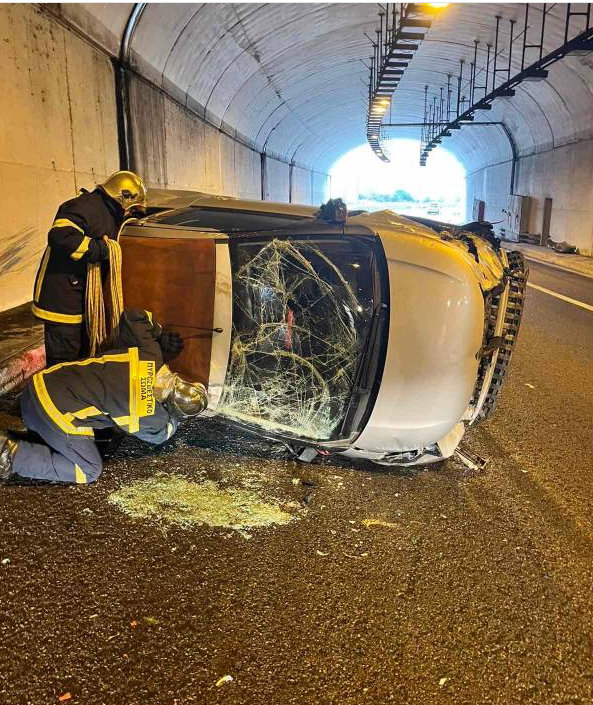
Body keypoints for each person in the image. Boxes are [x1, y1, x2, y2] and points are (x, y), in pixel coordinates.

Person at [0, 310, 207, 485]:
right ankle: (10, 456)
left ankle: (28, 439)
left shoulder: (150, 353)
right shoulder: (146, 412)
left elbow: (134, 315)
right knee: (89, 470)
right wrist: (175, 419)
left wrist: (159, 337)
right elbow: (161, 434)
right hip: (49, 413)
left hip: (36, 387)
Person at [32, 171, 147, 366]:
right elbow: (61, 235)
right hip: (63, 303)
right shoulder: (83, 207)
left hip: (79, 300)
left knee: (82, 357)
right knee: (63, 363)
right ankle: (59, 386)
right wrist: (99, 249)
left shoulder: (108, 213)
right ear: (123, 197)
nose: (131, 214)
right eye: (132, 209)